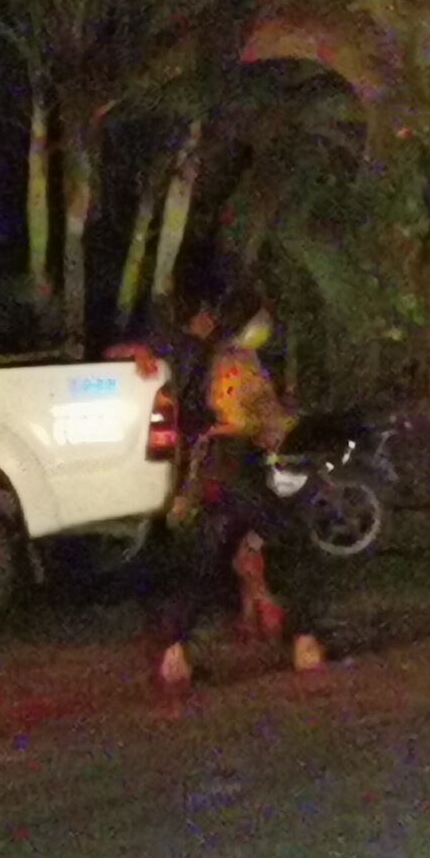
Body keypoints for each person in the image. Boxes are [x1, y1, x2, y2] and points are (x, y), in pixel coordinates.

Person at [149, 290, 328, 688]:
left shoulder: (207, 361)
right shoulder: (240, 363)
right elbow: (263, 422)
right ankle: (305, 641)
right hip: (238, 466)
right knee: (295, 544)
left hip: (213, 471)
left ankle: (175, 651)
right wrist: (289, 429)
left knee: (206, 559)